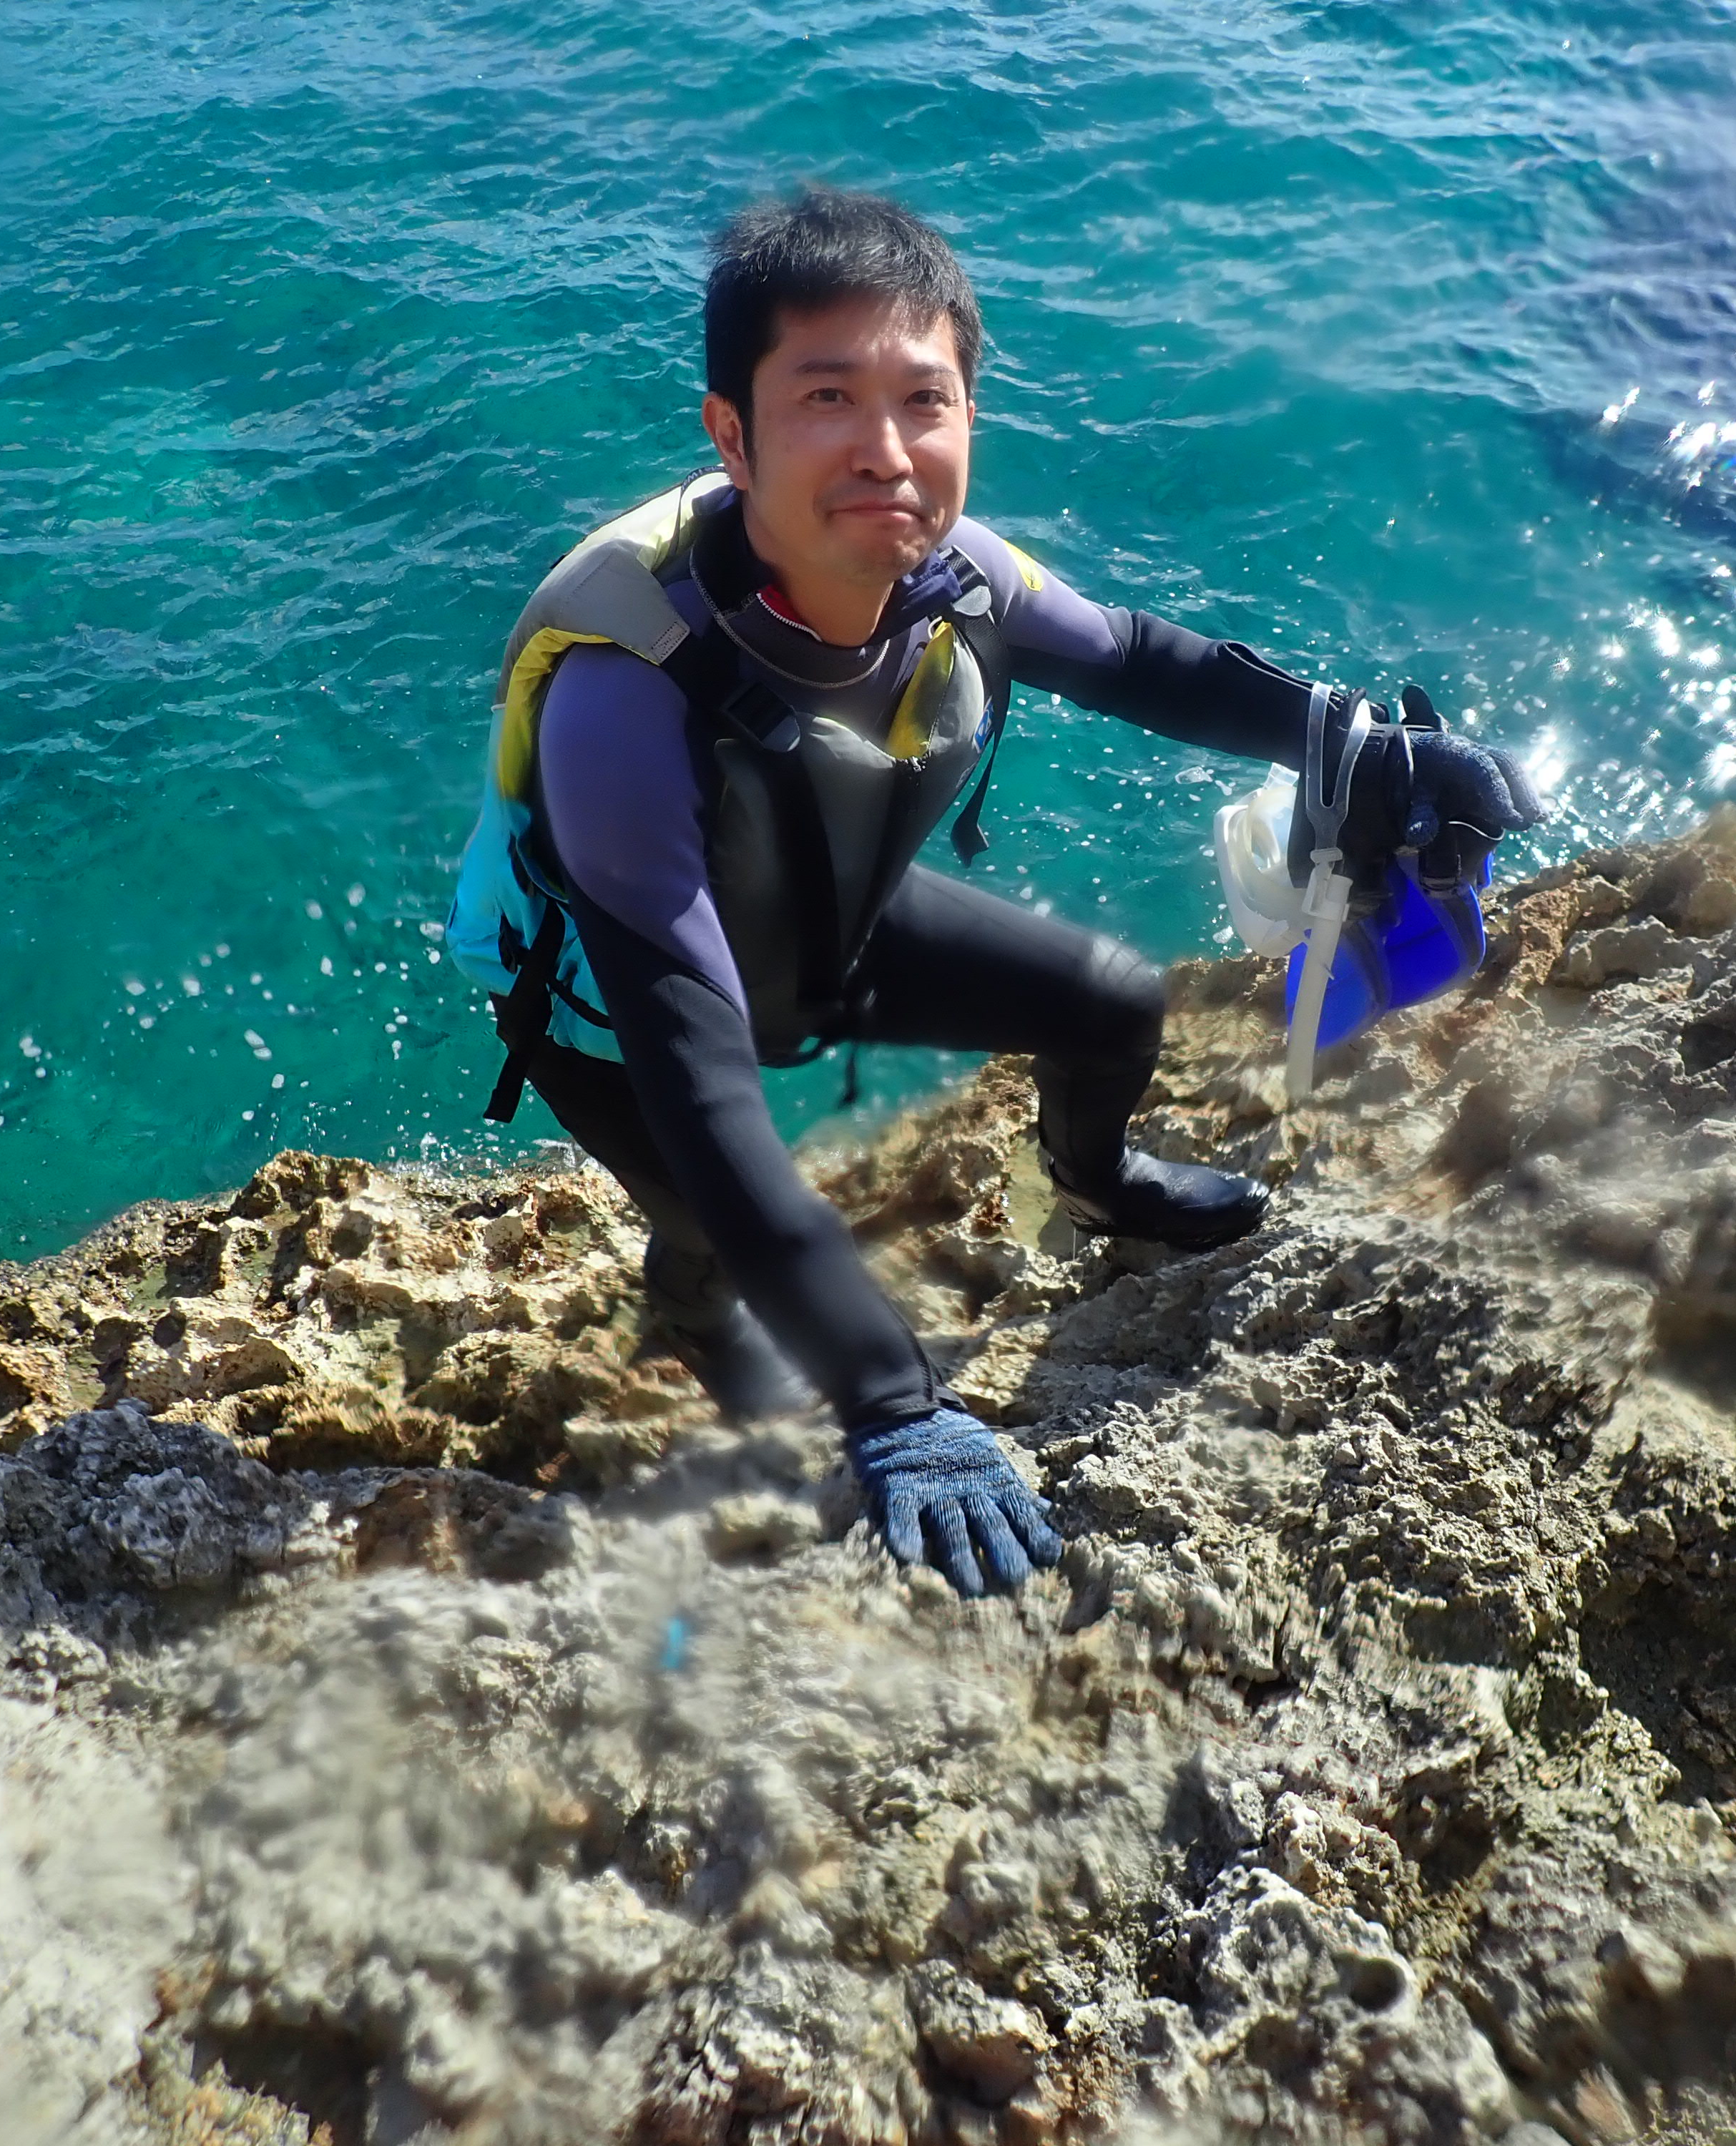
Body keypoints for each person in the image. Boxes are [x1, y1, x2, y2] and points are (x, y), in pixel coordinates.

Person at [446, 189, 1539, 1598]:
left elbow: (1138, 658)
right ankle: (696, 1316)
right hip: (613, 1018)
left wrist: (1362, 742)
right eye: (827, 397)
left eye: (924, 400)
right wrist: (896, 1403)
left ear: (968, 414)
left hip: (829, 921)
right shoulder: (624, 692)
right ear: (732, 434)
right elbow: (704, 1088)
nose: (885, 448)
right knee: (710, 1210)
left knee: (1109, 1001)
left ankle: (1094, 1182)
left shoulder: (955, 576)